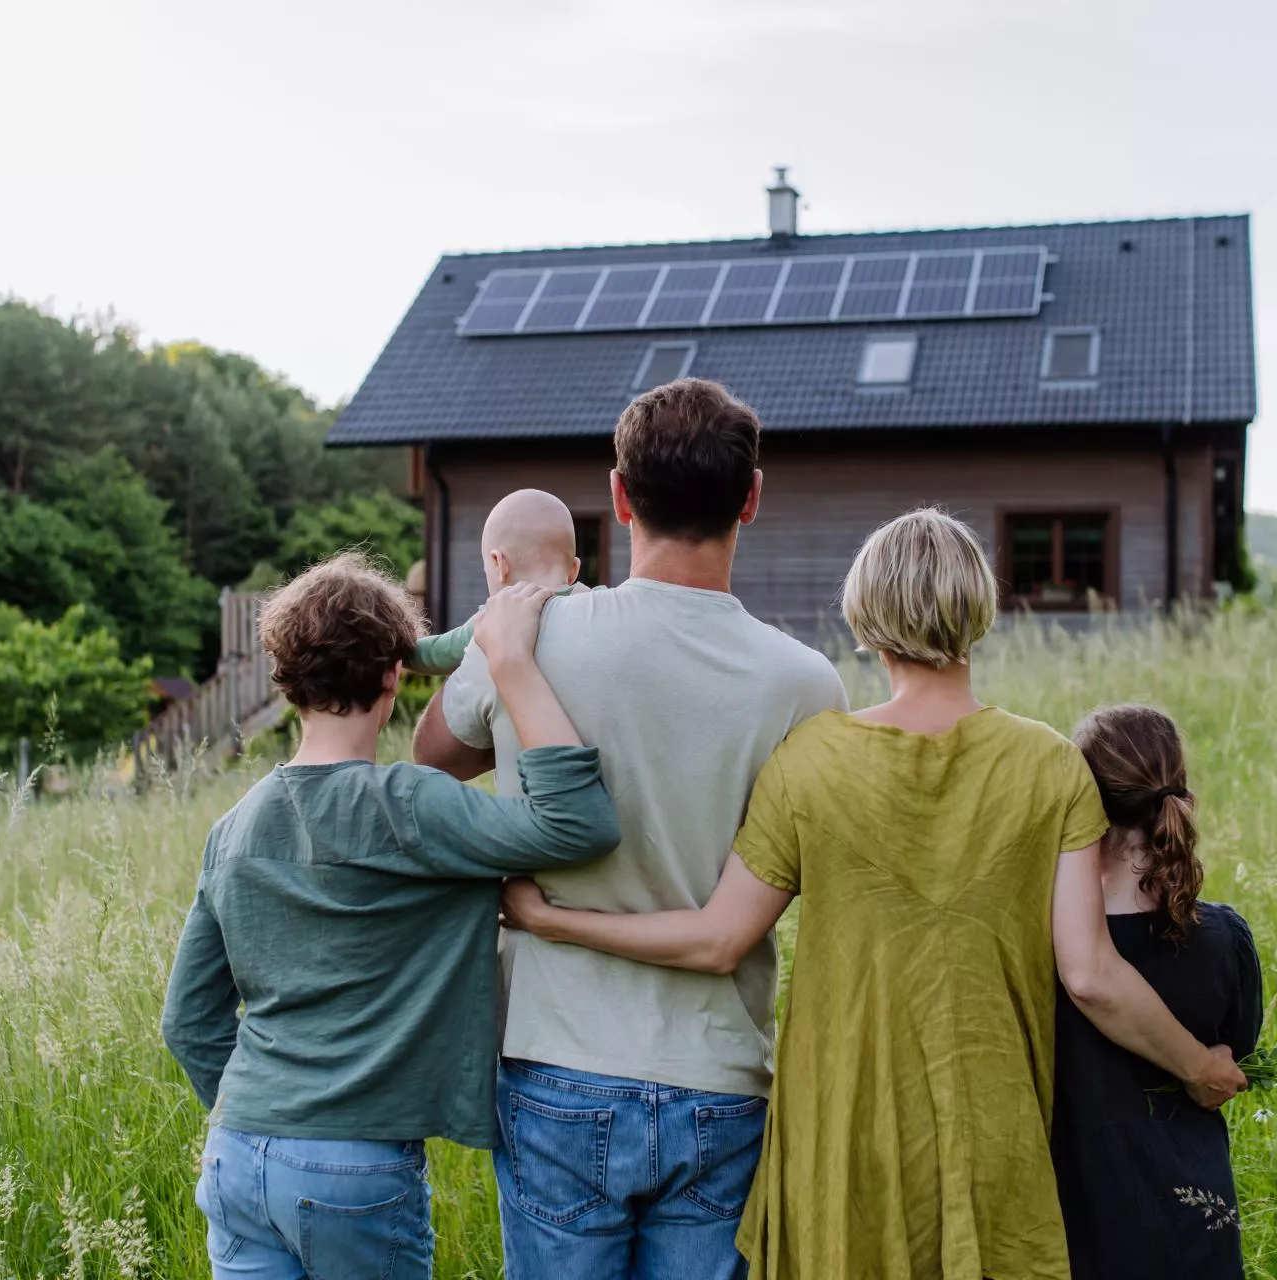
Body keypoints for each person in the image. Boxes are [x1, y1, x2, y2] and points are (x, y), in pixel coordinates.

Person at [500, 508, 1248, 1280]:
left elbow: (718, 940)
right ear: (980, 607)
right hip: (991, 1130)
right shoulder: (1050, 765)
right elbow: (1090, 975)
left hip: (841, 1136)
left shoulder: (810, 761)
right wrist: (1197, 1065)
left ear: (865, 616)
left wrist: (553, 919)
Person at [413, 378, 848, 1280]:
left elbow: (432, 758)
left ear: (618, 496)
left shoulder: (531, 636)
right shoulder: (808, 686)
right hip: (720, 1079)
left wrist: (501, 622)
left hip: (553, 1063)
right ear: (752, 498)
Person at [160, 550, 621, 1280]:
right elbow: (579, 824)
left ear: (285, 680)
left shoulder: (233, 830)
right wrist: (512, 663)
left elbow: (187, 1022)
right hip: (354, 1166)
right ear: (393, 677)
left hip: (237, 1153)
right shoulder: (408, 804)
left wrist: (273, 1111)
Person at [1052, 705, 1264, 1278]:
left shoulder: (1042, 948)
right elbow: (1236, 1060)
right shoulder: (1225, 940)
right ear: (1181, 793)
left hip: (1078, 1227)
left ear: (1081, 803)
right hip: (1196, 1217)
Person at [410, 487, 582, 676]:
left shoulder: (493, 621)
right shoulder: (596, 605)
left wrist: (395, 646)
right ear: (574, 570)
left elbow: (434, 654)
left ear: (499, 563)